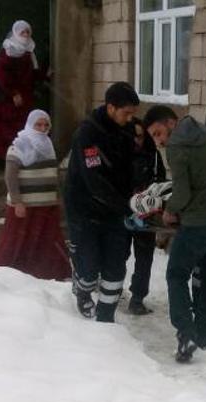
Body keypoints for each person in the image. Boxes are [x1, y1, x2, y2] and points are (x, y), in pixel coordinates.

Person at [143, 105, 206, 363]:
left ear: (172, 123)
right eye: (154, 137)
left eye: (159, 132)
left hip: (199, 225)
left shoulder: (177, 148)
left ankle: (185, 333)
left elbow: (182, 193)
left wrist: (170, 211)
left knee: (176, 273)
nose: (160, 140)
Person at [64, 82, 140, 323]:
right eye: (126, 113)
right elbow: (93, 179)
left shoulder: (127, 131)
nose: (130, 119)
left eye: (133, 114)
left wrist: (139, 193)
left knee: (116, 266)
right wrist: (126, 205)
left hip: (116, 212)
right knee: (89, 267)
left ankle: (106, 318)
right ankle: (83, 290)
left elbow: (132, 167)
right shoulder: (87, 134)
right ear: (110, 108)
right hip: (85, 210)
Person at [0, 110, 71, 281]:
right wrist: (17, 201)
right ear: (30, 124)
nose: (42, 128)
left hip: (46, 204)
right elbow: (10, 176)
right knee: (16, 239)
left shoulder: (48, 146)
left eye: (46, 125)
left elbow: (52, 172)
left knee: (46, 240)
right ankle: (3, 274)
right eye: (38, 124)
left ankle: (47, 272)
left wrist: (55, 195)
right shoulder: (18, 145)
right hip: (24, 205)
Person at [0, 20, 47, 161]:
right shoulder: (8, 50)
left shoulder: (30, 51)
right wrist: (13, 92)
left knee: (22, 128)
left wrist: (46, 75)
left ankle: (20, 157)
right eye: (22, 32)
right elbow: (2, 75)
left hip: (25, 97)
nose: (25, 35)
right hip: (8, 99)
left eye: (27, 32)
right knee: (5, 129)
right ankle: (3, 158)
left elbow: (33, 72)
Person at [126, 118, 167, 315]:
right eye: (132, 136)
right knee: (118, 255)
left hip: (146, 214)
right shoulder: (119, 155)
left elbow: (160, 184)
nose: (136, 140)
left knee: (144, 257)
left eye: (140, 136)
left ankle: (137, 297)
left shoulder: (154, 156)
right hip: (123, 212)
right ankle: (111, 288)